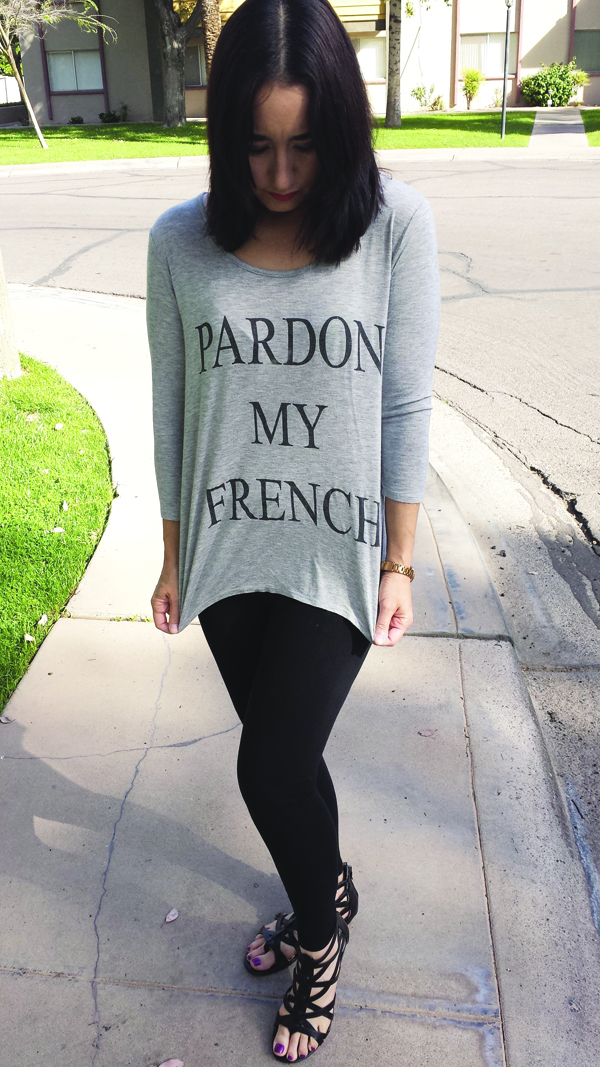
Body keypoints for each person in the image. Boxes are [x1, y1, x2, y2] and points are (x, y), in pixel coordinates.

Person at [146, 0, 440, 1059]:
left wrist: (400, 559)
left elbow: (405, 403)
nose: (280, 174)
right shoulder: (179, 241)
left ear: (342, 130)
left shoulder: (394, 226)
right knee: (292, 758)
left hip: (339, 550)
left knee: (267, 768)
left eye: (305, 145)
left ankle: (320, 940)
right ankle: (332, 885)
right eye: (257, 146)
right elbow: (174, 407)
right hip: (229, 550)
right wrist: (174, 556)